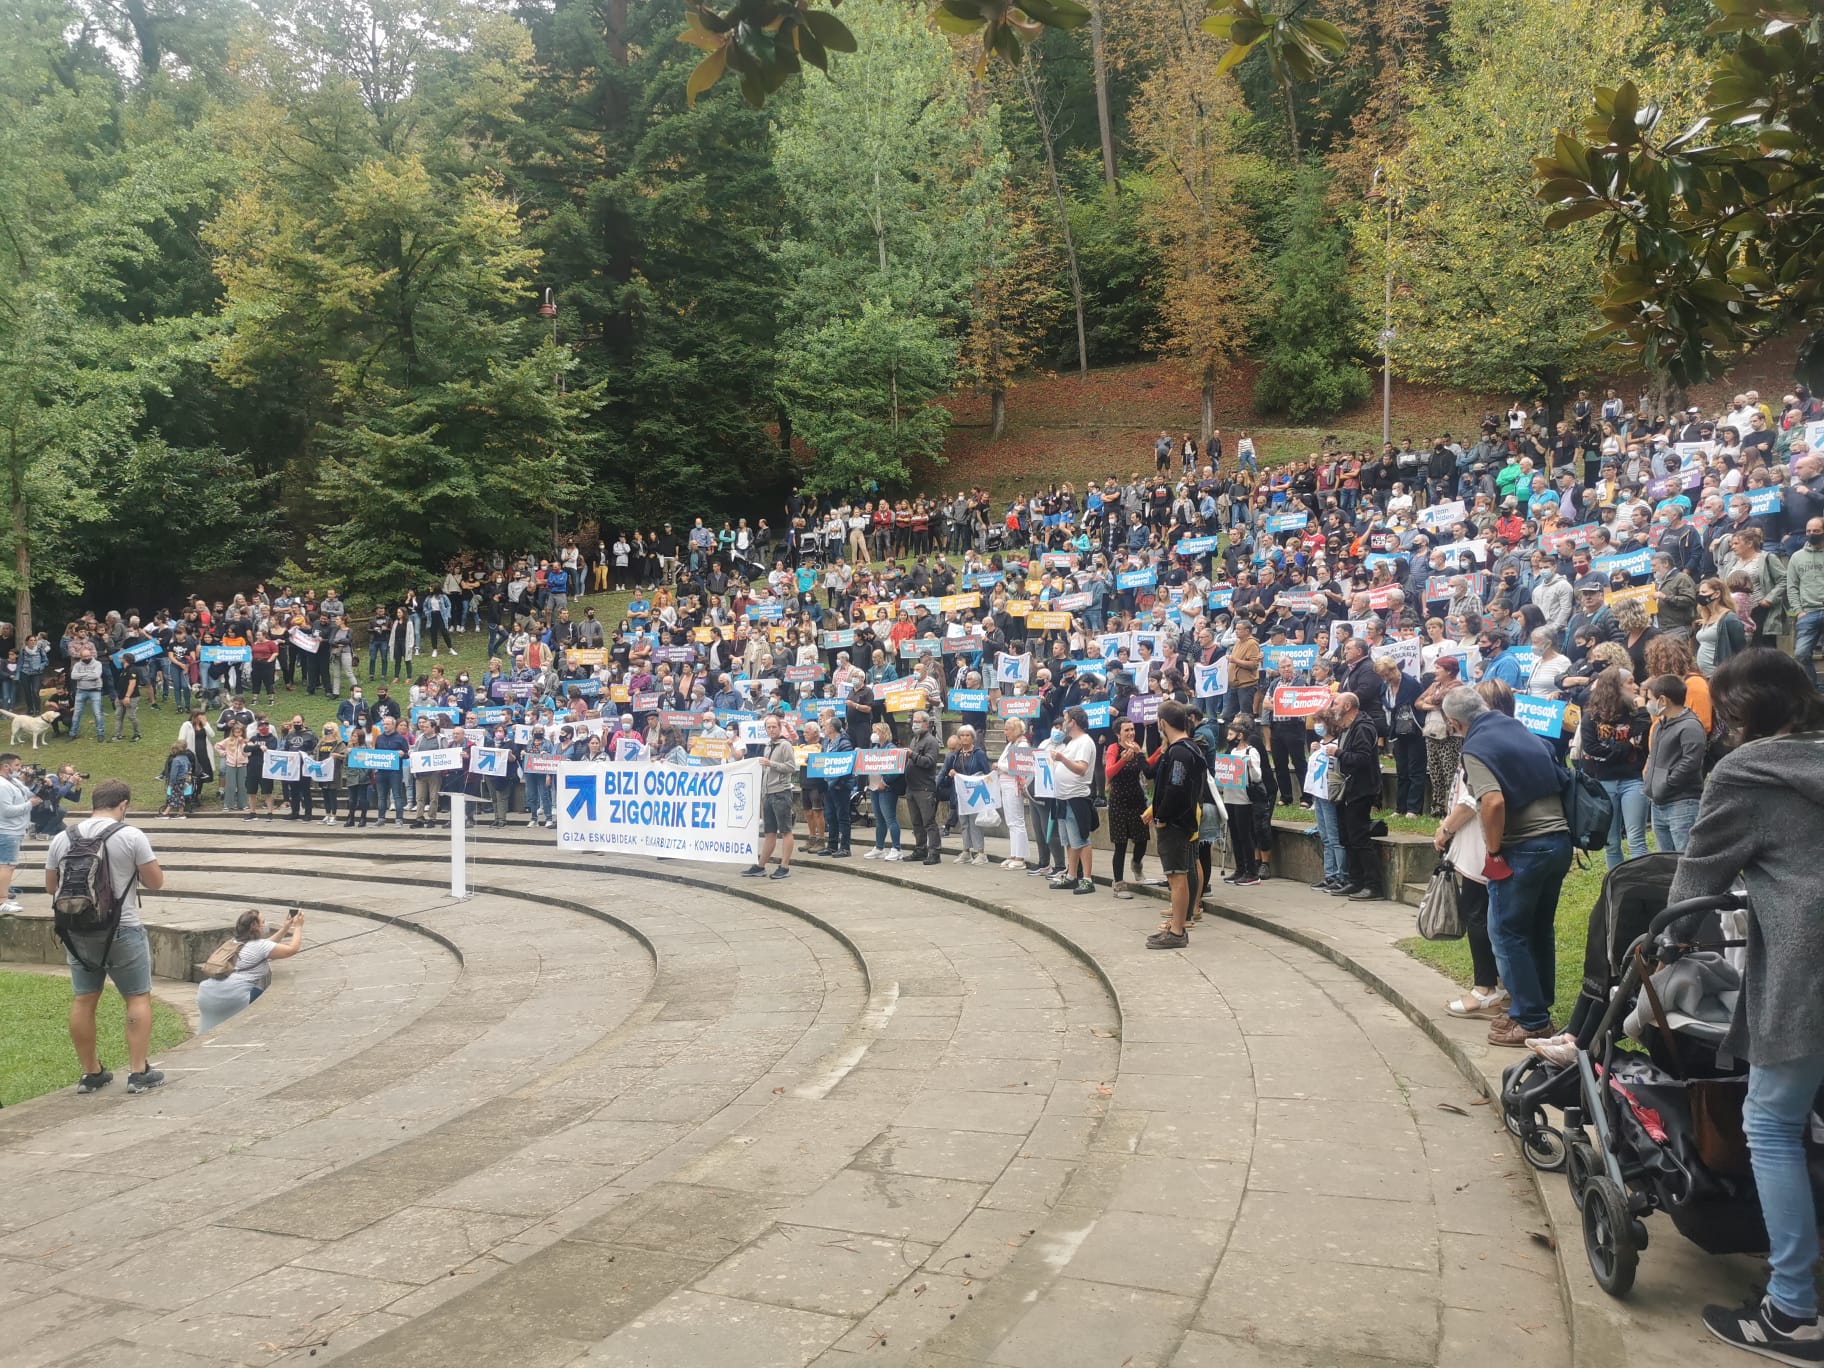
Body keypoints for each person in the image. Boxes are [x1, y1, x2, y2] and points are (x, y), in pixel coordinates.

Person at [1670, 652, 1824, 1361]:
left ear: (1742, 718)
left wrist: (1668, 938)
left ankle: (1793, 1312)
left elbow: (1699, 870)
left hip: (1809, 972)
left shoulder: (1748, 771)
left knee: (1771, 1123)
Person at [1444, 684, 1571, 1047]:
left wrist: (1495, 851)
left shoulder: (1476, 746)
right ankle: (1537, 1012)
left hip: (1523, 848)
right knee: (1538, 930)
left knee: (1506, 932)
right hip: (1558, 841)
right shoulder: (1520, 730)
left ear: (1454, 723)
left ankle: (1530, 1020)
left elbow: (1493, 802)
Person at [46, 779, 166, 1094]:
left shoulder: (63, 837)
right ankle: (139, 1072)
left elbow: (51, 888)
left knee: (84, 999)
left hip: (78, 930)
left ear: (94, 803)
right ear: (123, 804)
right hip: (122, 927)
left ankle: (91, 1073)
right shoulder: (131, 835)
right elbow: (156, 882)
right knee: (137, 996)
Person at [1432, 727, 1504, 1021]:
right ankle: (1502, 985)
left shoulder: (1478, 750)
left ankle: (1485, 989)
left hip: (1480, 848)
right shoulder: (1505, 742)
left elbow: (1469, 802)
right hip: (1489, 845)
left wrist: (1445, 829)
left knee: (1477, 915)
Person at [1143, 698, 1207, 949]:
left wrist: (1162, 817)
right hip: (1180, 820)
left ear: (1162, 723)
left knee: (1177, 876)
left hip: (1176, 824)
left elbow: (1176, 787)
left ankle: (1178, 930)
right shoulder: (1184, 748)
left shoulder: (1180, 752)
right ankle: (1176, 925)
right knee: (1175, 875)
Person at [1577, 666, 1650, 869]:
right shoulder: (1592, 716)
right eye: (1630, 682)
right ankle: (1619, 887)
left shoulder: (1635, 712)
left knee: (1636, 839)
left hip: (1632, 780)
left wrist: (1643, 709)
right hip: (1604, 782)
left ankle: (1644, 883)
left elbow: (1642, 735)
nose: (1636, 687)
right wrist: (1627, 746)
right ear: (1615, 687)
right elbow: (1592, 749)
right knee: (1611, 843)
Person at [196, 908, 306, 1032]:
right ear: (255, 927)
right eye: (263, 922)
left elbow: (267, 944)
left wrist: (285, 927)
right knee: (271, 996)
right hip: (231, 997)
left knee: (209, 1032)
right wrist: (298, 927)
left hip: (206, 994)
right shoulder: (259, 946)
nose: (265, 925)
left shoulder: (233, 943)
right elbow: (292, 949)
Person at [1642, 673, 1706, 852]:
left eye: (1651, 699)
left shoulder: (1690, 726)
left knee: (1684, 856)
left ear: (1663, 700)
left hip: (1682, 804)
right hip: (1658, 802)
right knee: (1665, 862)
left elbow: (1691, 762)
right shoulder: (1661, 725)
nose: (1648, 703)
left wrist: (1667, 782)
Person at [1331, 691, 1383, 901]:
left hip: (1361, 789)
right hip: (1348, 789)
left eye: (1335, 703)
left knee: (1360, 837)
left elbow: (1361, 759)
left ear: (1347, 706)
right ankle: (1355, 880)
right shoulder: (1347, 727)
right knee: (1347, 837)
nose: (1332, 707)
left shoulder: (1363, 727)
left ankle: (1373, 886)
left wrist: (1337, 753)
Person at [1046, 706, 1098, 894]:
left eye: (1065, 719)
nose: (1063, 724)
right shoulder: (1072, 742)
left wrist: (1061, 759)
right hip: (1063, 797)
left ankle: (1087, 878)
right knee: (1068, 840)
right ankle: (1071, 875)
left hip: (1076, 797)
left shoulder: (1084, 742)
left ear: (1073, 722)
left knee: (1081, 839)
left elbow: (1081, 769)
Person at [744, 713, 796, 880]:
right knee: (769, 832)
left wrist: (770, 764)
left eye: (774, 727)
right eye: (769, 727)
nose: (771, 730)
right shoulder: (767, 746)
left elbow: (790, 767)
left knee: (786, 830)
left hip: (781, 792)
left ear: (780, 728)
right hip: (768, 793)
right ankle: (761, 866)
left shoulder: (785, 745)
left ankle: (785, 866)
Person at [1104, 717, 1152, 897]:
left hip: (1137, 800)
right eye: (1127, 730)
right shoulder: (1113, 749)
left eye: (1132, 729)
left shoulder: (1137, 747)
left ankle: (1137, 863)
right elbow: (1109, 772)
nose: (1131, 733)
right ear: (1118, 734)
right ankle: (1118, 883)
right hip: (1118, 802)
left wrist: (1158, 753)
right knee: (1120, 845)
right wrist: (1123, 761)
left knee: (1141, 840)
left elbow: (1147, 767)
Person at [942, 724, 992, 865]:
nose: (964, 738)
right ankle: (966, 851)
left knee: (975, 823)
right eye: (962, 735)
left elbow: (987, 772)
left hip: (975, 793)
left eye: (967, 735)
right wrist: (952, 774)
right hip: (961, 794)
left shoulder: (979, 753)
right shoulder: (957, 754)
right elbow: (954, 771)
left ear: (973, 738)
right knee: (964, 823)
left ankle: (981, 852)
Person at [0, 753, 39, 913]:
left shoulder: (14, 781)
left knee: (7, 865)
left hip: (16, 830)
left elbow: (28, 793)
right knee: (7, 866)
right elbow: (7, 810)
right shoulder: (2, 786)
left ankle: (3, 899)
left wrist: (38, 783)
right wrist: (30, 804)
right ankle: (2, 901)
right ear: (6, 766)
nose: (20, 769)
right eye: (17, 766)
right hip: (7, 831)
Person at [862, 721, 904, 861]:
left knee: (890, 818)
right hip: (874, 787)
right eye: (873, 731)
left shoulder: (891, 748)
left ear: (884, 733)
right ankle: (879, 848)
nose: (874, 734)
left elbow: (896, 769)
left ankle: (896, 848)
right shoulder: (874, 749)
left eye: (877, 731)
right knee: (880, 820)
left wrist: (885, 782)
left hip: (886, 789)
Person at [993, 715, 1031, 870]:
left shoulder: (1022, 745)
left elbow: (1017, 767)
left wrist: (999, 766)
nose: (1004, 732)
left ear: (1015, 730)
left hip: (1013, 785)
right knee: (1011, 821)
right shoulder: (1011, 744)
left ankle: (1020, 857)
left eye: (1007, 729)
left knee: (1017, 821)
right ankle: (1014, 854)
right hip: (1005, 784)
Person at [905, 710, 942, 864]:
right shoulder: (914, 739)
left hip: (924, 788)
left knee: (929, 822)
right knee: (916, 822)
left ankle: (934, 852)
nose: (915, 724)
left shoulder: (931, 741)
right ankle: (920, 849)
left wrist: (912, 755)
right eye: (914, 721)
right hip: (912, 787)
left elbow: (929, 762)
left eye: (918, 721)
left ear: (926, 723)